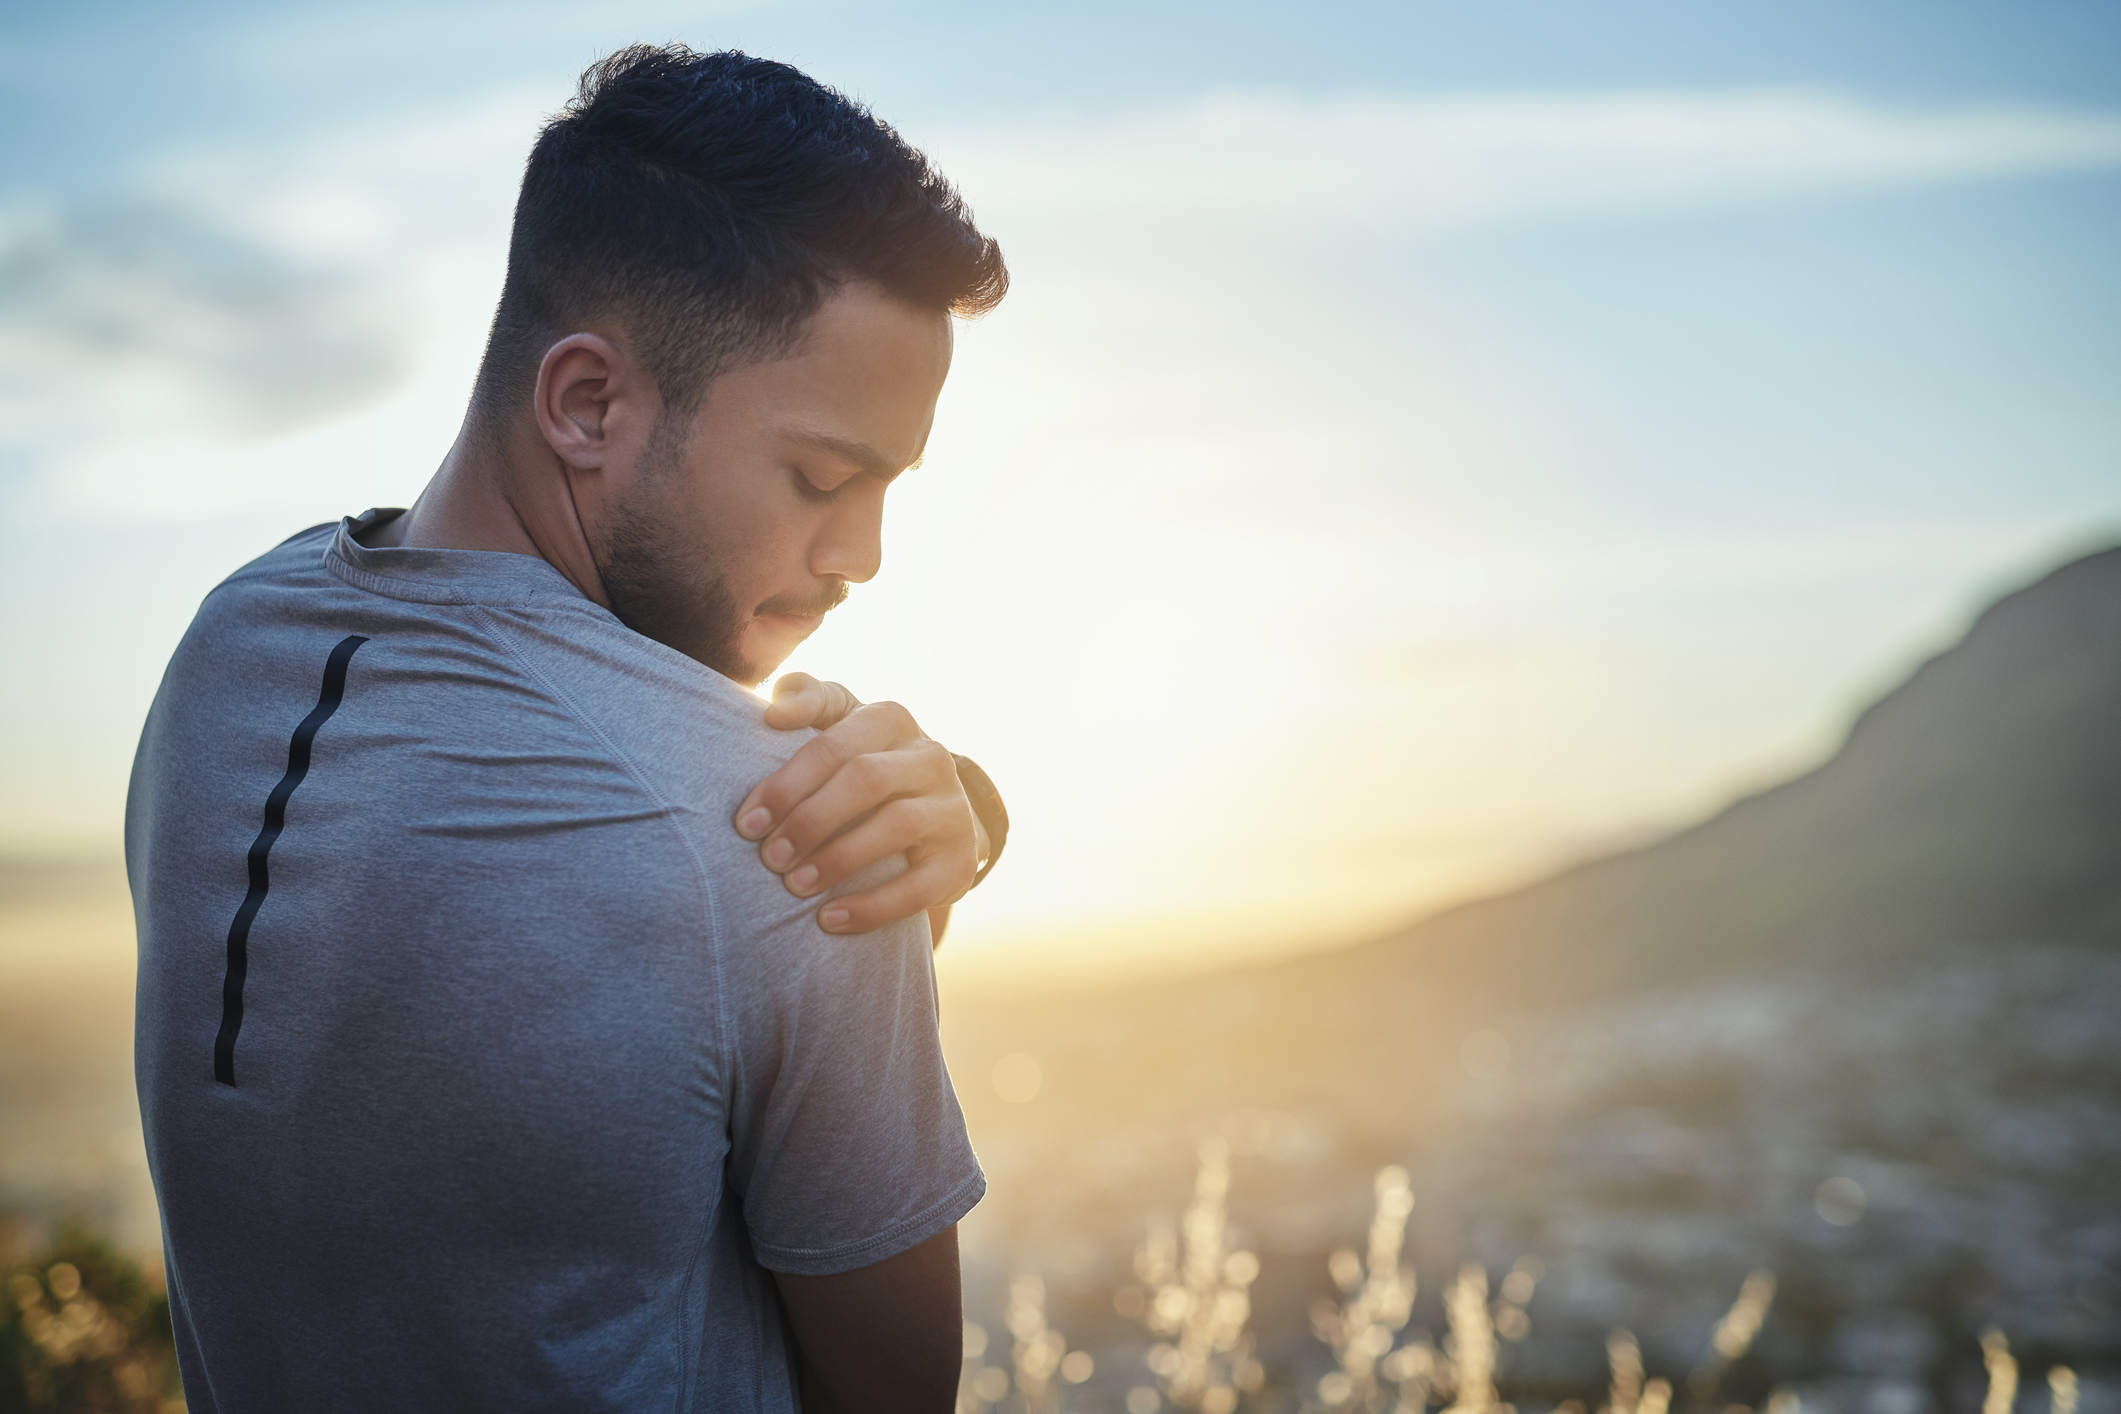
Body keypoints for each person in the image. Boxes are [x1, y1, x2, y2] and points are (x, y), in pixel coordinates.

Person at [127, 45, 1012, 1412]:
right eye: (822, 477)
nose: (865, 556)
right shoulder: (787, 848)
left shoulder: (224, 653)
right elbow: (900, 1391)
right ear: (588, 402)